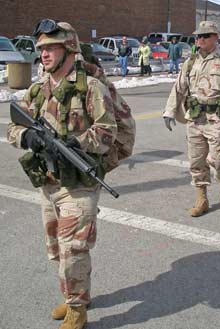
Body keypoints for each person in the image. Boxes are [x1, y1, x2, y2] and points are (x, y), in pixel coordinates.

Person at [7, 19, 118, 328]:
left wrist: (76, 143)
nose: (43, 54)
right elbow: (14, 126)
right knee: (56, 249)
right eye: (41, 49)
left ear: (69, 49)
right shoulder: (37, 89)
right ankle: (75, 292)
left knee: (74, 250)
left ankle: (76, 308)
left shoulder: (92, 87)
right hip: (48, 182)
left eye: (51, 48)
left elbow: (108, 132)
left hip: (79, 184)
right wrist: (27, 137)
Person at [163, 21, 220, 217]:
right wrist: (169, 111)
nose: (200, 39)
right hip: (195, 118)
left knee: (219, 159)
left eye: (205, 36)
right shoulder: (190, 62)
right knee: (196, 160)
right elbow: (178, 88)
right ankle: (202, 199)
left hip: (217, 118)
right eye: (198, 36)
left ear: (216, 37)